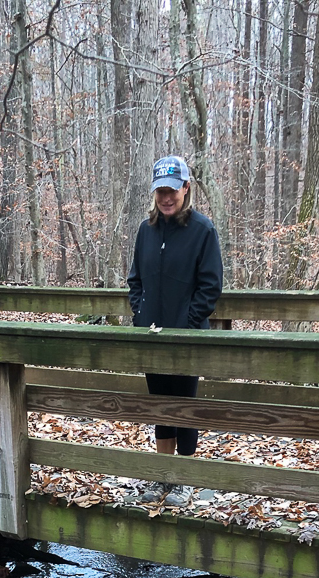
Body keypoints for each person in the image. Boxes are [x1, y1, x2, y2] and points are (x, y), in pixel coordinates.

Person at [126, 155, 223, 506]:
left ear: (186, 188)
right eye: (160, 191)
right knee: (160, 407)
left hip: (187, 338)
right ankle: (162, 475)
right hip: (151, 336)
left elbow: (210, 287)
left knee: (184, 407)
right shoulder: (146, 230)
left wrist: (187, 323)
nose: (166, 197)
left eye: (172, 190)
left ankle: (182, 480)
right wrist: (140, 313)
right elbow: (134, 280)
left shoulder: (202, 230)